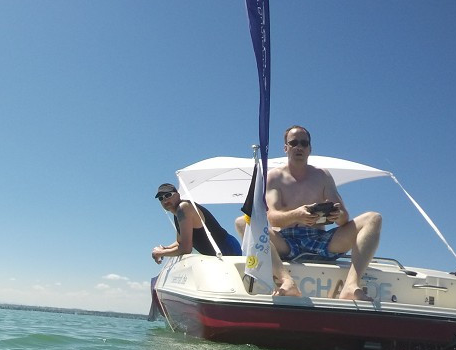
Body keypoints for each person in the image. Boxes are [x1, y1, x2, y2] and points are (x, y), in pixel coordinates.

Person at [265, 125, 382, 299]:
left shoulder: (322, 176)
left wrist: (337, 215)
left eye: (304, 143)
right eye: (294, 142)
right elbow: (272, 218)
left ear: (309, 149)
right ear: (286, 148)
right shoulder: (274, 177)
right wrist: (296, 214)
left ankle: (351, 285)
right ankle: (286, 281)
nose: (299, 147)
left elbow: (344, 218)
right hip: (287, 241)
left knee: (373, 218)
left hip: (320, 239)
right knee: (244, 223)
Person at [151, 184, 243, 263]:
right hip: (216, 252)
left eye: (168, 195)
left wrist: (159, 253)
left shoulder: (183, 208)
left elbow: (186, 248)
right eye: (161, 198)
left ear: (178, 195)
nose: (165, 200)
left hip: (226, 248)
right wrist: (165, 248)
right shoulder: (177, 215)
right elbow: (180, 242)